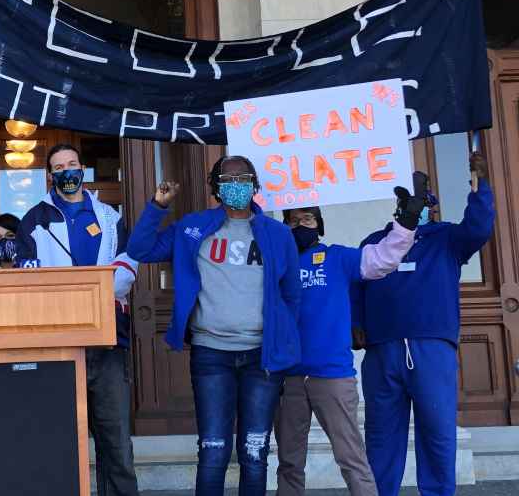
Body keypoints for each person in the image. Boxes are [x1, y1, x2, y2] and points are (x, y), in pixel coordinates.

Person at [127, 155, 300, 496]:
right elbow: (139, 248)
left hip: (260, 358)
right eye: (228, 178)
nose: (236, 184)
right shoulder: (193, 227)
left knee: (255, 452)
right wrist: (157, 207)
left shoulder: (278, 234)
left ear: (255, 184)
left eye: (243, 177)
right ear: (215, 187)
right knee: (213, 449)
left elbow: (292, 295)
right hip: (211, 355)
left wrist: (282, 341)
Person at [275, 177, 427, 496]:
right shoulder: (275, 267)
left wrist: (406, 222)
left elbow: (383, 259)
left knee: (352, 459)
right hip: (288, 378)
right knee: (289, 463)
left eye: (307, 218)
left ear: (319, 225)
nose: (300, 224)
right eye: (292, 220)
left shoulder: (338, 258)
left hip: (332, 377)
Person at [356, 155, 494, 496]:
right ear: (398, 206)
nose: (416, 208)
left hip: (431, 348)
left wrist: (481, 186)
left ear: (431, 207)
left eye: (422, 202)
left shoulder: (447, 238)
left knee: (437, 431)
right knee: (381, 435)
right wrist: (355, 324)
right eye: (409, 201)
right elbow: (354, 285)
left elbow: (479, 226)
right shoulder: (375, 241)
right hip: (381, 348)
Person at [15, 143, 140, 496]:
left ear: (82, 168)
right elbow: (27, 274)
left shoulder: (109, 216)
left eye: (72, 164)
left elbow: (127, 270)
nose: (67, 171)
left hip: (108, 340)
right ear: (50, 176)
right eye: (59, 167)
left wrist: (88, 292)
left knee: (116, 440)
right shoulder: (35, 218)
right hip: (57, 343)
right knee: (60, 439)